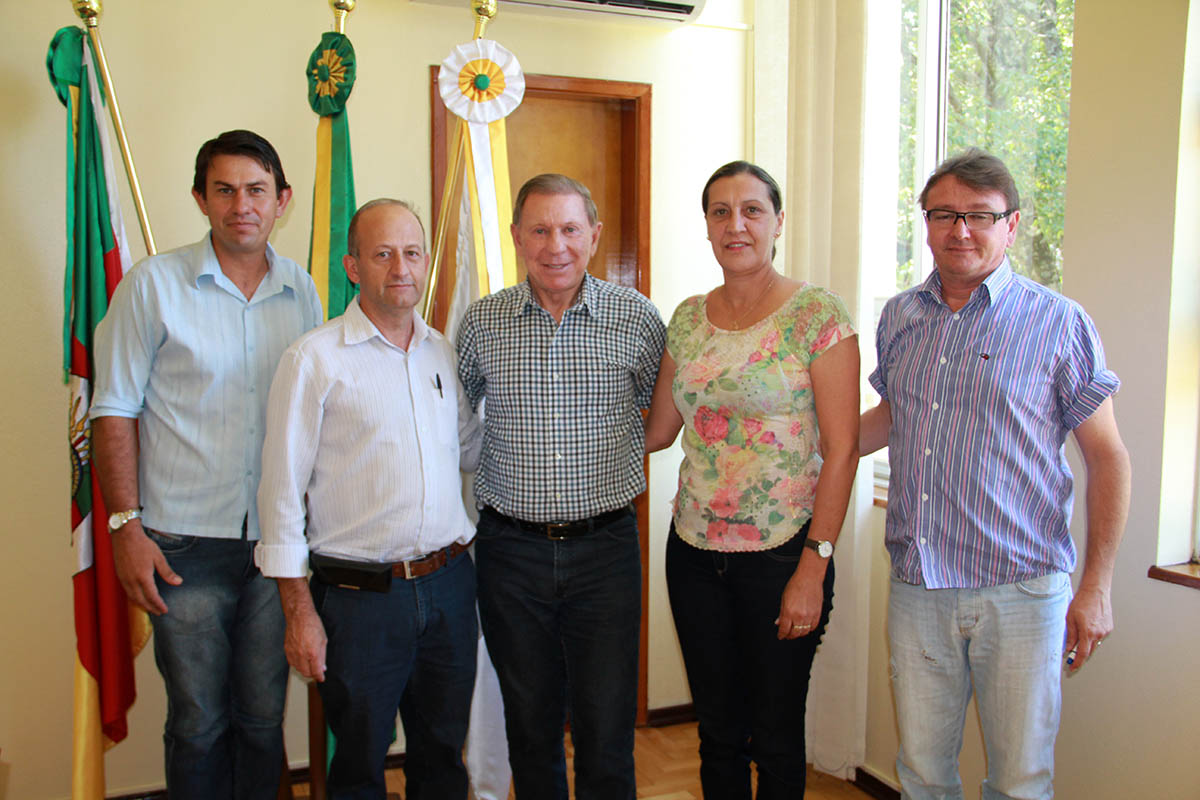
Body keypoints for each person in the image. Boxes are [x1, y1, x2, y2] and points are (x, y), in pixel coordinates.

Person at [860, 148, 1131, 800]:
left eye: (980, 216)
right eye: (945, 214)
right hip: (919, 587)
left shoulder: (1058, 323)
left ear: (1011, 225)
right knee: (923, 774)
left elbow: (1108, 458)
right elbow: (892, 417)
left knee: (1019, 780)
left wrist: (1095, 587)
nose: (960, 231)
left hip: (1023, 593)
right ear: (925, 223)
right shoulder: (901, 317)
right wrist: (800, 447)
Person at [90, 129, 323, 798]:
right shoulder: (152, 287)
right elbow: (113, 410)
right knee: (197, 721)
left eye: (255, 190)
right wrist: (125, 527)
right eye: (224, 190)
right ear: (201, 198)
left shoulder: (301, 290)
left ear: (282, 200)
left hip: (273, 550)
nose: (240, 205)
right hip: (181, 547)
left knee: (259, 719)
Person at [643, 160, 860, 797]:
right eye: (720, 212)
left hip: (784, 556)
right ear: (707, 226)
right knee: (717, 732)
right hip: (693, 554)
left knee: (774, 733)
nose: (735, 224)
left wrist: (813, 568)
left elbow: (842, 451)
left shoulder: (817, 315)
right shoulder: (686, 318)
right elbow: (658, 430)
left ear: (777, 223)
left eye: (752, 210)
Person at [256, 199, 482, 797]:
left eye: (411, 253)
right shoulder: (314, 359)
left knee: (442, 755)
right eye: (383, 254)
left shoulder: (442, 352)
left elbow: (469, 450)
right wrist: (299, 612)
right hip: (359, 601)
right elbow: (279, 495)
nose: (400, 267)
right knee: (357, 766)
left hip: (450, 585)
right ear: (354, 266)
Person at [455, 173, 666, 799]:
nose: (557, 246)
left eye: (570, 229)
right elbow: (450, 421)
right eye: (540, 230)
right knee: (530, 726)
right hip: (510, 552)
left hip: (604, 550)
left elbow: (663, 419)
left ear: (594, 236)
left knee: (605, 730)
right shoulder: (483, 322)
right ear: (518, 237)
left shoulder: (637, 318)